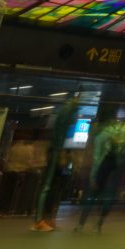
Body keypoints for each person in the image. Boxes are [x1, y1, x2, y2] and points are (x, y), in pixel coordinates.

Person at [78, 115, 125, 232]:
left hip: (104, 165)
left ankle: (81, 225)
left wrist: (93, 176)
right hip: (118, 165)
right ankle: (99, 225)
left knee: (91, 194)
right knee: (109, 195)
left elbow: (97, 157)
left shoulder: (102, 132)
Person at [32, 98, 79, 232]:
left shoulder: (65, 116)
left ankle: (46, 219)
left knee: (52, 188)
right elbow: (61, 136)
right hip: (56, 152)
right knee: (47, 187)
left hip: (58, 153)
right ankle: (39, 221)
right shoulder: (65, 116)